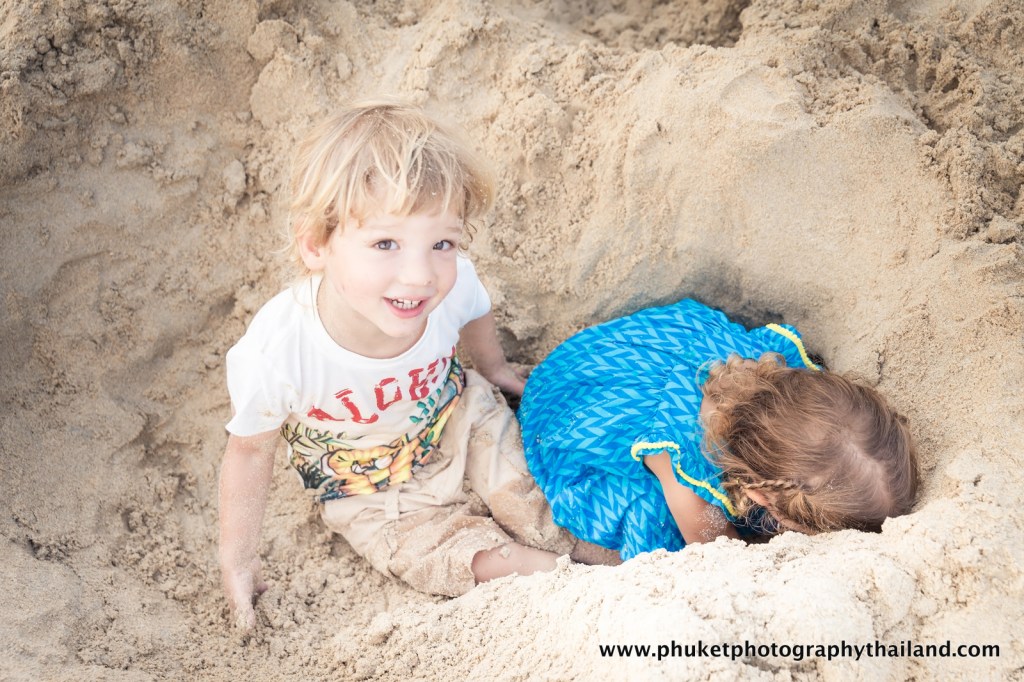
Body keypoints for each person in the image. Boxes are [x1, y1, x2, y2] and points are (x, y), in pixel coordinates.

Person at [219, 99, 581, 630]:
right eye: (385, 242)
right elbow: (250, 453)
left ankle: (631, 562)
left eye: (441, 243)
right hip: (370, 492)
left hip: (458, 420)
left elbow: (474, 311)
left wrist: (495, 367)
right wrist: (238, 558)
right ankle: (584, 589)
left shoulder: (451, 284)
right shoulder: (281, 351)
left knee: (540, 509)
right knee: (470, 560)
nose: (419, 276)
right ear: (317, 245)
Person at [518, 298, 919, 560]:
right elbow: (714, 551)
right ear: (760, 494)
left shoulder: (781, 384)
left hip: (639, 353)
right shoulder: (685, 462)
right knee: (657, 530)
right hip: (575, 410)